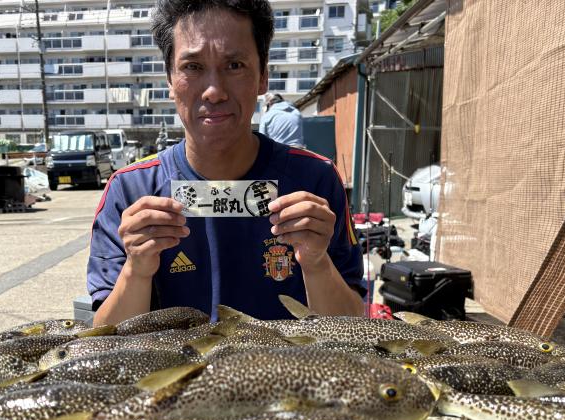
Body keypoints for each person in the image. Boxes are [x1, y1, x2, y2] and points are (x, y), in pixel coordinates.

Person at [87, 0, 364, 326]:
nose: (214, 91)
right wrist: (136, 269)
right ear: (169, 79)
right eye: (192, 67)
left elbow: (352, 326)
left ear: (263, 77)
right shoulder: (130, 189)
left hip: (288, 375)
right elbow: (105, 339)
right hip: (173, 376)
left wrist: (316, 262)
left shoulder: (314, 179)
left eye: (234, 65)